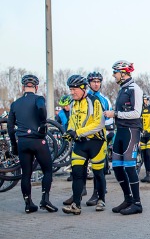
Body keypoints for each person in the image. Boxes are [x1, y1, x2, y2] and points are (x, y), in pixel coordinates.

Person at [7, 74, 58, 213]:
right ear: (36, 87)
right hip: (37, 140)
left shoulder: (15, 104)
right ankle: (45, 199)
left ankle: (28, 204)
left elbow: (10, 128)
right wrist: (42, 123)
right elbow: (41, 108)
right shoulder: (39, 98)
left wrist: (14, 146)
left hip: (22, 142)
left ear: (23, 87)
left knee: (26, 174)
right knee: (47, 170)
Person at [61, 75, 106, 215]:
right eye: (70, 89)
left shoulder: (94, 101)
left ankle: (101, 199)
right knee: (77, 173)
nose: (72, 92)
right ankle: (76, 204)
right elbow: (72, 121)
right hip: (80, 144)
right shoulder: (74, 103)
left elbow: (99, 124)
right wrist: (69, 131)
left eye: (74, 89)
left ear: (82, 89)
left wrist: (78, 132)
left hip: (96, 142)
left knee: (98, 173)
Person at [103, 60, 144, 215]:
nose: (113, 75)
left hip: (131, 131)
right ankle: (128, 199)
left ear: (123, 73)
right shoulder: (122, 89)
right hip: (120, 130)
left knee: (129, 167)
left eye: (115, 72)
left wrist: (115, 114)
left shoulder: (135, 89)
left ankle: (137, 203)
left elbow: (136, 113)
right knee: (117, 167)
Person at [86, 71, 113, 205]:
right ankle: (79, 193)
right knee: (81, 166)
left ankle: (97, 193)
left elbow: (109, 120)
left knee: (98, 167)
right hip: (84, 137)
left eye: (98, 82)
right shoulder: (84, 98)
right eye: (93, 82)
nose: (96, 84)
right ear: (89, 83)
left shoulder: (104, 99)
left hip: (99, 137)